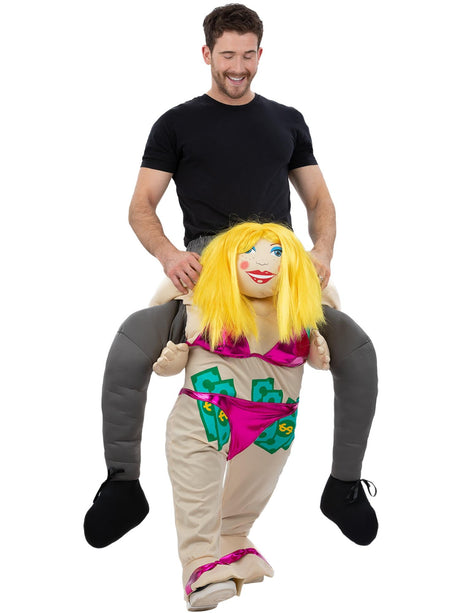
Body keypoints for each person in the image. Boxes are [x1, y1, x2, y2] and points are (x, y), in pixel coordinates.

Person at [84, 3, 378, 551]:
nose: (238, 67)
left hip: (278, 262)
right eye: (227, 56)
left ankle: (344, 485)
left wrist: (322, 251)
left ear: (261, 54)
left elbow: (319, 199)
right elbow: (141, 205)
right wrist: (169, 255)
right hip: (210, 263)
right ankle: (122, 484)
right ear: (206, 54)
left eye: (248, 55)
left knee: (357, 350)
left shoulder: (287, 120)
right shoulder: (176, 123)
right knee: (132, 344)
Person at [162, 222, 327, 610]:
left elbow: (336, 358)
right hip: (208, 412)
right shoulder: (200, 305)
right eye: (248, 253)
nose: (263, 262)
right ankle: (200, 562)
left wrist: (318, 347)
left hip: (274, 420)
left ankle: (233, 540)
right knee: (197, 485)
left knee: (251, 491)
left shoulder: (300, 312)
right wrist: (172, 359)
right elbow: (161, 347)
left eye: (276, 254)